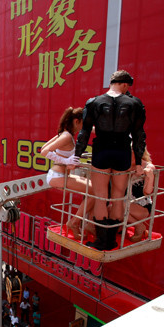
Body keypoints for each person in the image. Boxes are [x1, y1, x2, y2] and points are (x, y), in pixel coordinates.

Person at [75, 70, 147, 250]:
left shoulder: (94, 102)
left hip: (102, 151)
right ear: (124, 84)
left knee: (100, 197)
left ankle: (101, 242)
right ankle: (112, 241)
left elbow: (84, 133)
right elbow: (139, 136)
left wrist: (76, 156)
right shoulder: (134, 103)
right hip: (122, 151)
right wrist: (138, 163)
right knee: (117, 197)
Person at [41, 107, 93, 239]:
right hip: (58, 176)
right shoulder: (67, 136)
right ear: (77, 121)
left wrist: (66, 161)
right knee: (96, 192)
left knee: (94, 189)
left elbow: (43, 147)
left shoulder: (65, 134)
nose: (84, 127)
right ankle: (75, 222)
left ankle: (80, 222)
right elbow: (44, 151)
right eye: (83, 123)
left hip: (58, 174)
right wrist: (65, 160)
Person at [127, 148, 155, 242]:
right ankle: (140, 227)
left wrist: (148, 173)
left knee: (117, 207)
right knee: (110, 210)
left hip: (142, 206)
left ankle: (139, 226)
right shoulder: (123, 165)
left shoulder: (147, 165)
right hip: (127, 204)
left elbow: (147, 192)